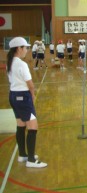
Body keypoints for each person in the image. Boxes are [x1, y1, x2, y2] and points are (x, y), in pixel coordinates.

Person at [6, 37, 47, 168]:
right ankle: (31, 160)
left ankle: (22, 155)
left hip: (13, 95)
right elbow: (30, 84)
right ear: (19, 48)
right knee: (33, 127)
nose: (27, 50)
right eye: (25, 48)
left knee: (21, 124)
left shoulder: (10, 62)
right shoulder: (21, 64)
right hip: (23, 97)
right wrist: (33, 95)